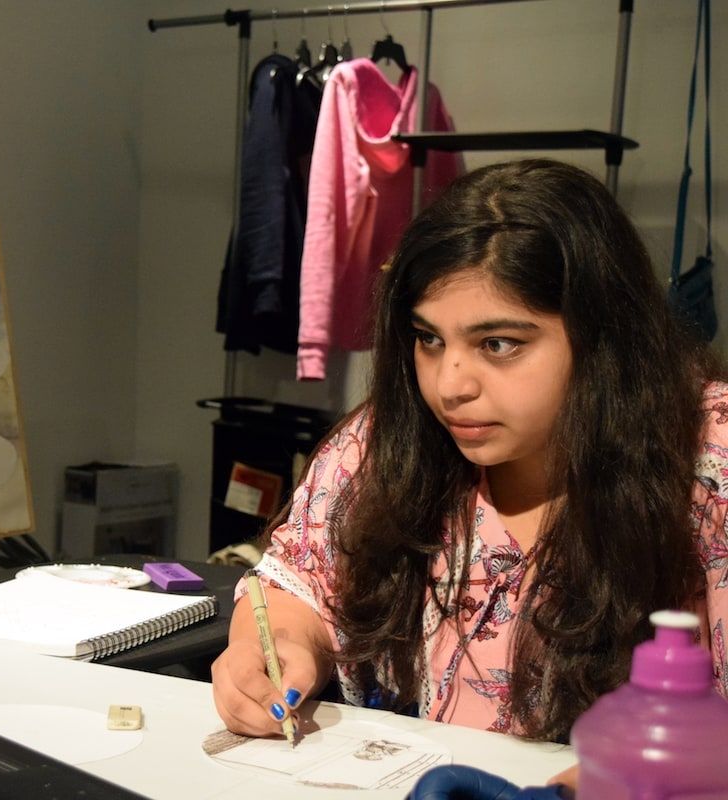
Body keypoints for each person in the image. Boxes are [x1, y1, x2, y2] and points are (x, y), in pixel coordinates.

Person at [211, 160, 728, 756]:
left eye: (498, 344)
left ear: (603, 338)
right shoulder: (387, 443)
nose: (450, 385)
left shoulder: (706, 459)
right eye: (429, 339)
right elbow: (300, 581)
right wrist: (275, 644)